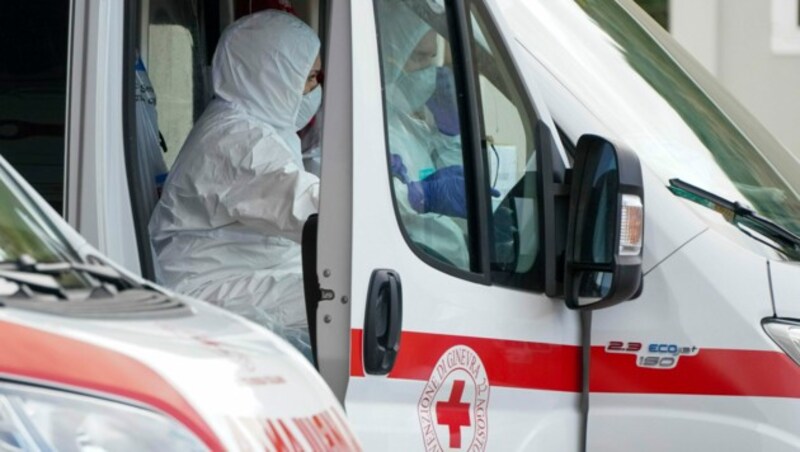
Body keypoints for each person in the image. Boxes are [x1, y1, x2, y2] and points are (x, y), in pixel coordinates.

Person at [148, 10, 322, 359]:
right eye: (309, 77)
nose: (315, 88)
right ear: (272, 73)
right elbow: (303, 207)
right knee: (342, 294)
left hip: (239, 271)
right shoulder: (235, 138)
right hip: (203, 287)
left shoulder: (254, 123)